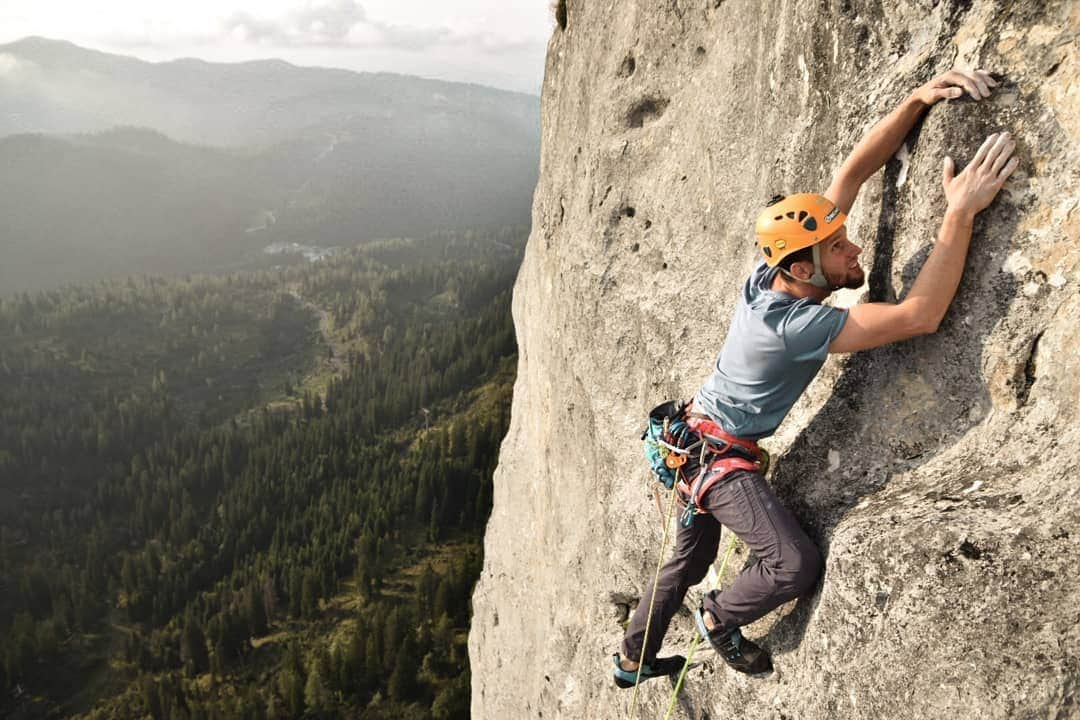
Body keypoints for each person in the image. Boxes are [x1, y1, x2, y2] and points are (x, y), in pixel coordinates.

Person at [614, 68, 1018, 687]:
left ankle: (630, 658)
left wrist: (916, 100)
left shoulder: (774, 266)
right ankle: (720, 619)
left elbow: (852, 175)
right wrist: (958, 214)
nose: (854, 249)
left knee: (688, 560)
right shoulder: (797, 324)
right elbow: (921, 315)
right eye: (841, 249)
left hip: (687, 446)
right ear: (805, 269)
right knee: (792, 565)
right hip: (717, 463)